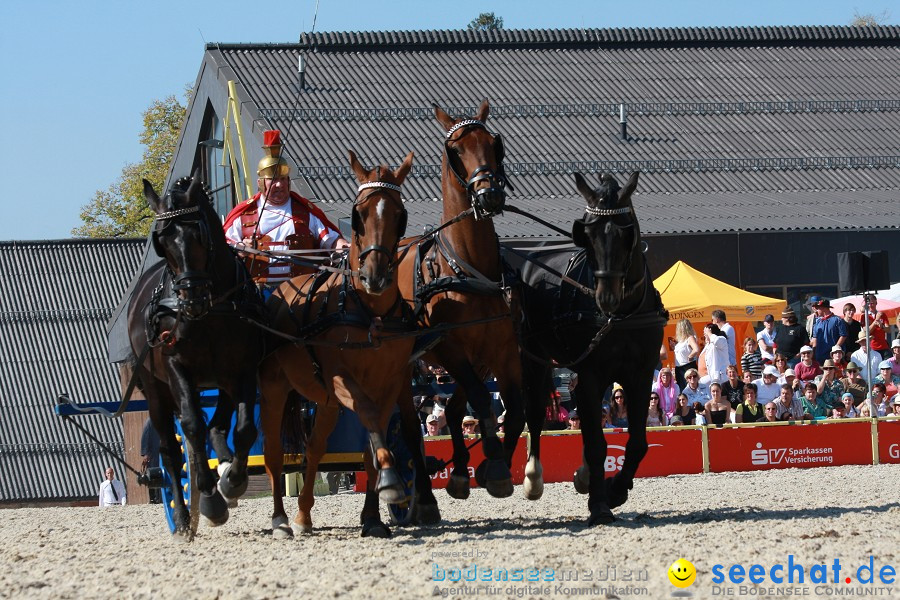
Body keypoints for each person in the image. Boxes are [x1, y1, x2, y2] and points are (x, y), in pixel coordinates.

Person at [223, 130, 348, 286]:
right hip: (257, 296)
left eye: (283, 179)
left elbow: (330, 240)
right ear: (260, 182)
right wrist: (240, 248)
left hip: (301, 296)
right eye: (273, 179)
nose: (279, 185)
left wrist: (344, 247)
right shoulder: (244, 215)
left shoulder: (305, 212)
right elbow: (223, 249)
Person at [810, 299, 847, 365]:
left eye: (818, 308)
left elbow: (843, 335)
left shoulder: (837, 320)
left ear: (823, 308)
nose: (816, 310)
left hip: (833, 356)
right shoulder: (817, 322)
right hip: (819, 356)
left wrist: (835, 349)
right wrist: (812, 354)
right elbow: (815, 339)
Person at [673, 318, 700, 390]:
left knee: (689, 388)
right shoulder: (680, 341)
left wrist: (690, 356)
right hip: (679, 368)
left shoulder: (690, 338)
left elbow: (696, 349)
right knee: (682, 389)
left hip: (687, 367)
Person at [140, 419, 161, 504]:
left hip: (163, 453)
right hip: (153, 454)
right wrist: (145, 453)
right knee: (153, 475)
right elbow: (145, 437)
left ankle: (160, 498)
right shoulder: (150, 421)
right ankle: (153, 498)